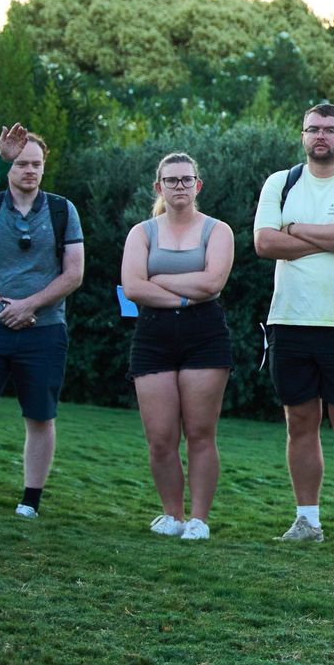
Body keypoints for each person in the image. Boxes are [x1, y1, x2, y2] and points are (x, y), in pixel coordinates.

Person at [253, 103, 334, 549]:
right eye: (313, 129)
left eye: (330, 129)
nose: (321, 136)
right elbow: (265, 242)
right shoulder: (281, 182)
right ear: (303, 135)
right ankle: (307, 520)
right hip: (291, 319)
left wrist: (295, 231)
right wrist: (327, 237)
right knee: (299, 422)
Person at [119, 153, 235, 541]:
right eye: (172, 181)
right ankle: (173, 515)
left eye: (187, 180)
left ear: (198, 185)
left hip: (205, 336)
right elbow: (133, 288)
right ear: (159, 187)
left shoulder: (218, 231)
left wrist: (158, 278)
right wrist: (185, 295)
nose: (180, 186)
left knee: (201, 433)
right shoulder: (142, 233)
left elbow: (212, 284)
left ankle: (199, 520)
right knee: (160, 438)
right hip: (152, 337)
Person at [0, 126, 84, 521]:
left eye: (36, 163)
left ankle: (30, 500)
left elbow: (74, 274)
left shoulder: (63, 210)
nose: (29, 170)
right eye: (20, 163)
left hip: (46, 329)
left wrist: (29, 305)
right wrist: (5, 306)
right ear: (8, 165)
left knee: (40, 416)